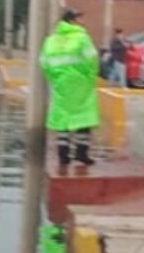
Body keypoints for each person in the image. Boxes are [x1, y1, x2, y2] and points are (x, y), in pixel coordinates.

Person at [40, 9, 101, 167]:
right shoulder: (82, 38)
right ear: (73, 21)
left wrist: (55, 78)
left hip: (60, 83)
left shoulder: (51, 40)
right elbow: (92, 60)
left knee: (63, 119)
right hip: (81, 83)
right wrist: (89, 77)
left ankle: (63, 154)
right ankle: (81, 153)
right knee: (84, 118)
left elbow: (44, 63)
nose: (83, 22)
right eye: (81, 18)